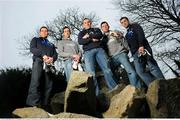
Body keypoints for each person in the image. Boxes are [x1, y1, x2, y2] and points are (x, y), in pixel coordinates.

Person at [120, 17, 164, 86]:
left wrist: (141, 45)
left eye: (125, 21)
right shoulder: (126, 35)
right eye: (122, 22)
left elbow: (141, 35)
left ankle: (163, 83)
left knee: (152, 66)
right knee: (140, 71)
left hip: (143, 48)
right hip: (135, 54)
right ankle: (153, 86)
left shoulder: (135, 26)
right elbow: (128, 46)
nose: (124, 23)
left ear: (128, 21)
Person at [78, 18, 118, 96]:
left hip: (99, 50)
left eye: (88, 22)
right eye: (85, 23)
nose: (87, 23)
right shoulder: (81, 33)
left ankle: (114, 89)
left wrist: (88, 37)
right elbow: (80, 41)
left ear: (90, 23)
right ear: (83, 24)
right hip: (88, 52)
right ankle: (96, 94)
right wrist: (92, 39)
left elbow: (99, 35)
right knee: (91, 73)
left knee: (107, 69)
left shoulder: (96, 29)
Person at [100, 21, 141, 88]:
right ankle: (117, 89)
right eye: (103, 26)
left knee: (130, 71)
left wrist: (126, 49)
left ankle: (136, 89)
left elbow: (123, 38)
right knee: (108, 72)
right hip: (111, 58)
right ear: (101, 29)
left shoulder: (114, 31)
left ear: (108, 26)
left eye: (106, 25)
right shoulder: (102, 38)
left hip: (121, 54)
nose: (105, 27)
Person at [26, 26, 58, 109]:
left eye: (46, 31)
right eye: (42, 31)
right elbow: (32, 49)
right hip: (38, 61)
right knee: (36, 82)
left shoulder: (51, 44)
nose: (44, 32)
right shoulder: (35, 39)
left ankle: (46, 105)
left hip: (49, 64)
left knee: (49, 85)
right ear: (40, 32)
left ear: (48, 33)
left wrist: (52, 58)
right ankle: (33, 104)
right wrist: (42, 55)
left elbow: (55, 54)